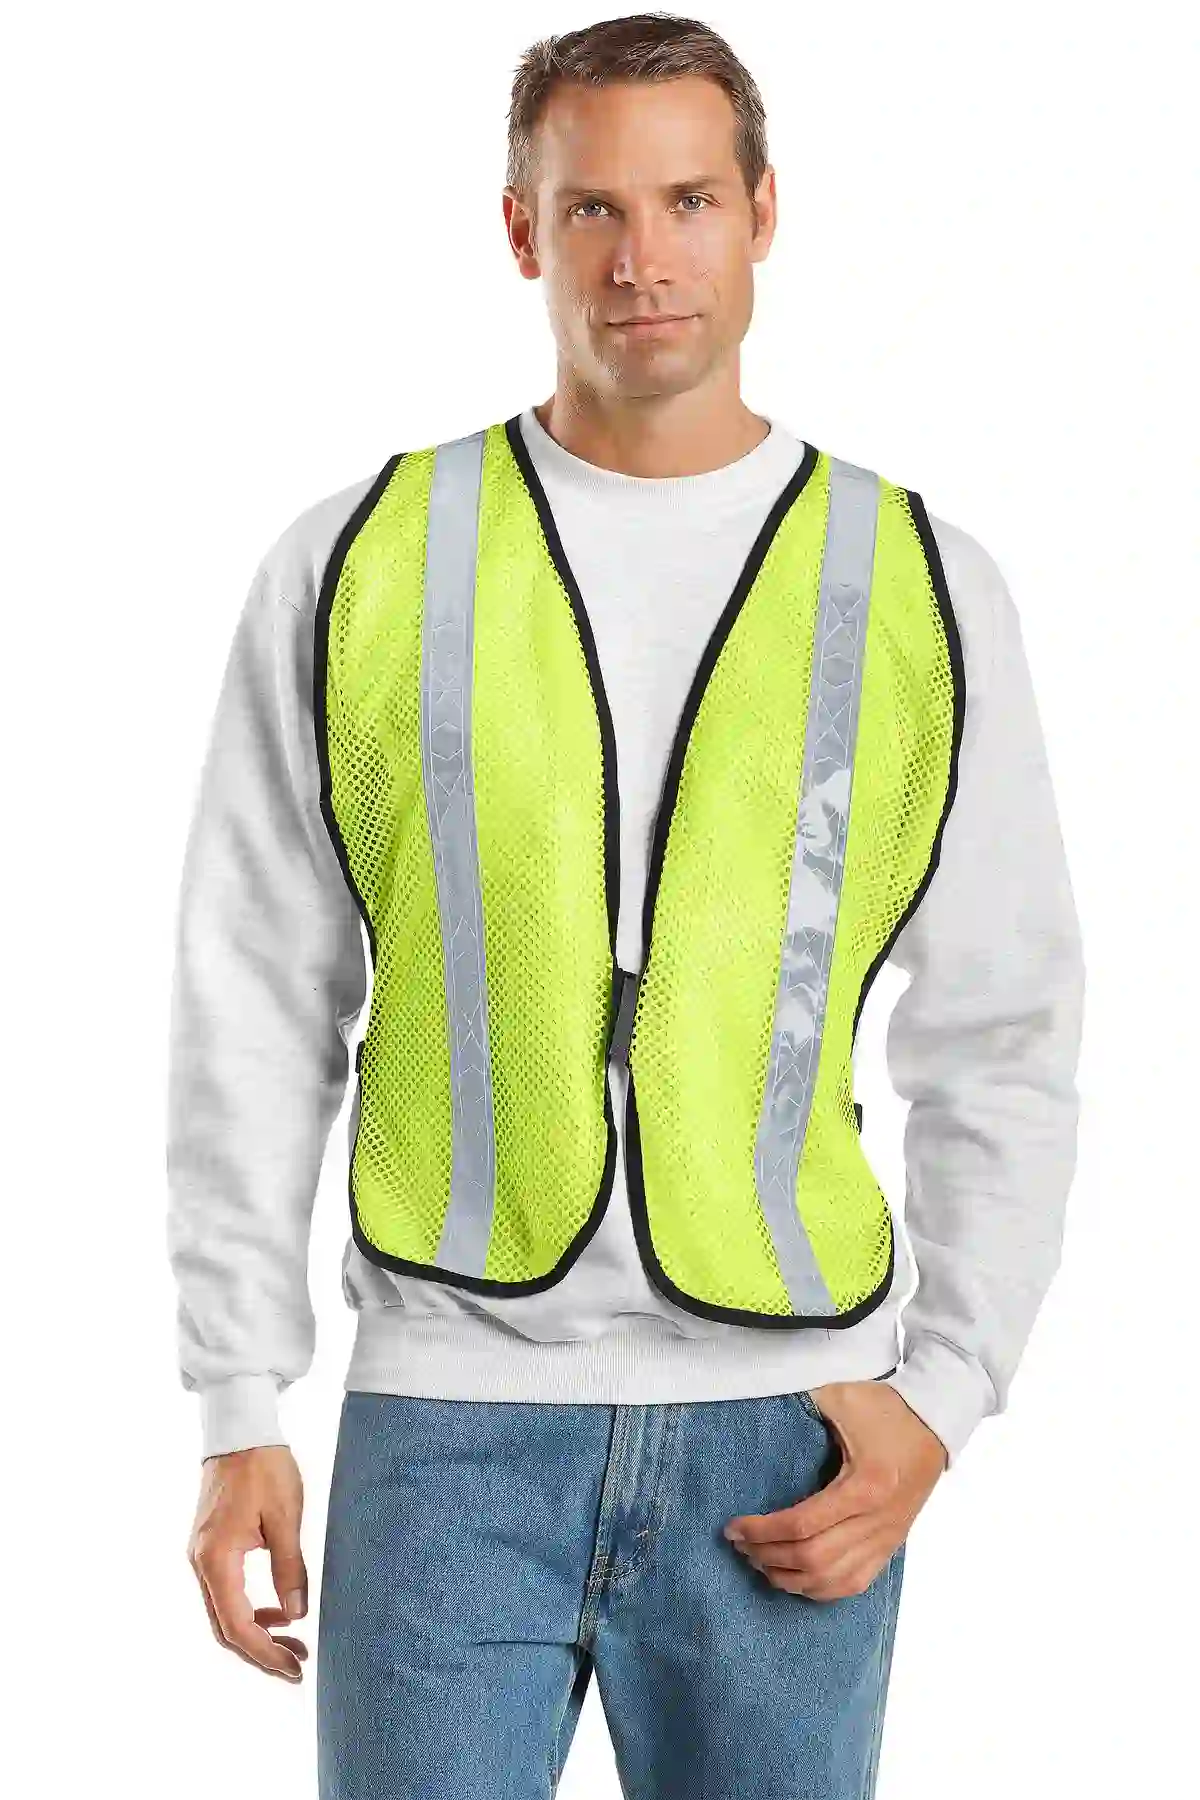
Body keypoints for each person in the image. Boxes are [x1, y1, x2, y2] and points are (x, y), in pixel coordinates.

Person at [166, 14, 1085, 1798]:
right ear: (523, 228)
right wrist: (234, 1402)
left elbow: (1008, 1025)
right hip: (445, 1425)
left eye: (688, 201)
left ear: (762, 213)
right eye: (593, 207)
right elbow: (251, 995)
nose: (643, 257)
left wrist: (946, 1398)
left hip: (794, 1434)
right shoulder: (364, 559)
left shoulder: (917, 583)